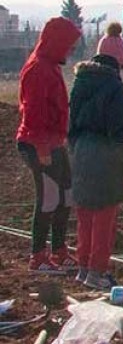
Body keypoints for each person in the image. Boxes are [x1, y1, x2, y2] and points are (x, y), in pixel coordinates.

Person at [68, 37, 123, 289]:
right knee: (104, 219)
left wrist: (77, 151)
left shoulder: (80, 81)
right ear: (120, 60)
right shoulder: (115, 87)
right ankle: (97, 272)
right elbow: (118, 133)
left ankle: (83, 268)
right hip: (106, 159)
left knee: (85, 215)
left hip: (81, 153)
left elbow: (71, 126)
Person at [16, 17, 83, 274]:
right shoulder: (38, 69)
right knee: (49, 197)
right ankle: (38, 256)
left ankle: (59, 249)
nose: (71, 50)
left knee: (66, 194)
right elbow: (34, 111)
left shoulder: (51, 66)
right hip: (37, 143)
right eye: (69, 45)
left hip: (53, 142)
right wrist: (42, 146)